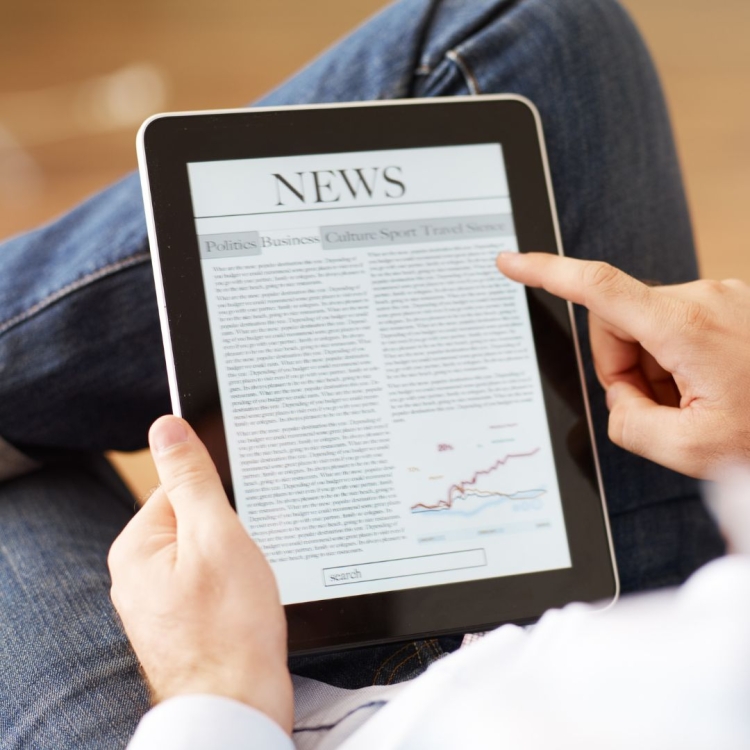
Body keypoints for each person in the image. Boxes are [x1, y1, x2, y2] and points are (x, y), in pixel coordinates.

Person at [0, 0, 742, 747]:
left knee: (21, 484)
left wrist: (215, 690)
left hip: (288, 721)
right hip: (657, 636)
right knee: (537, 31)